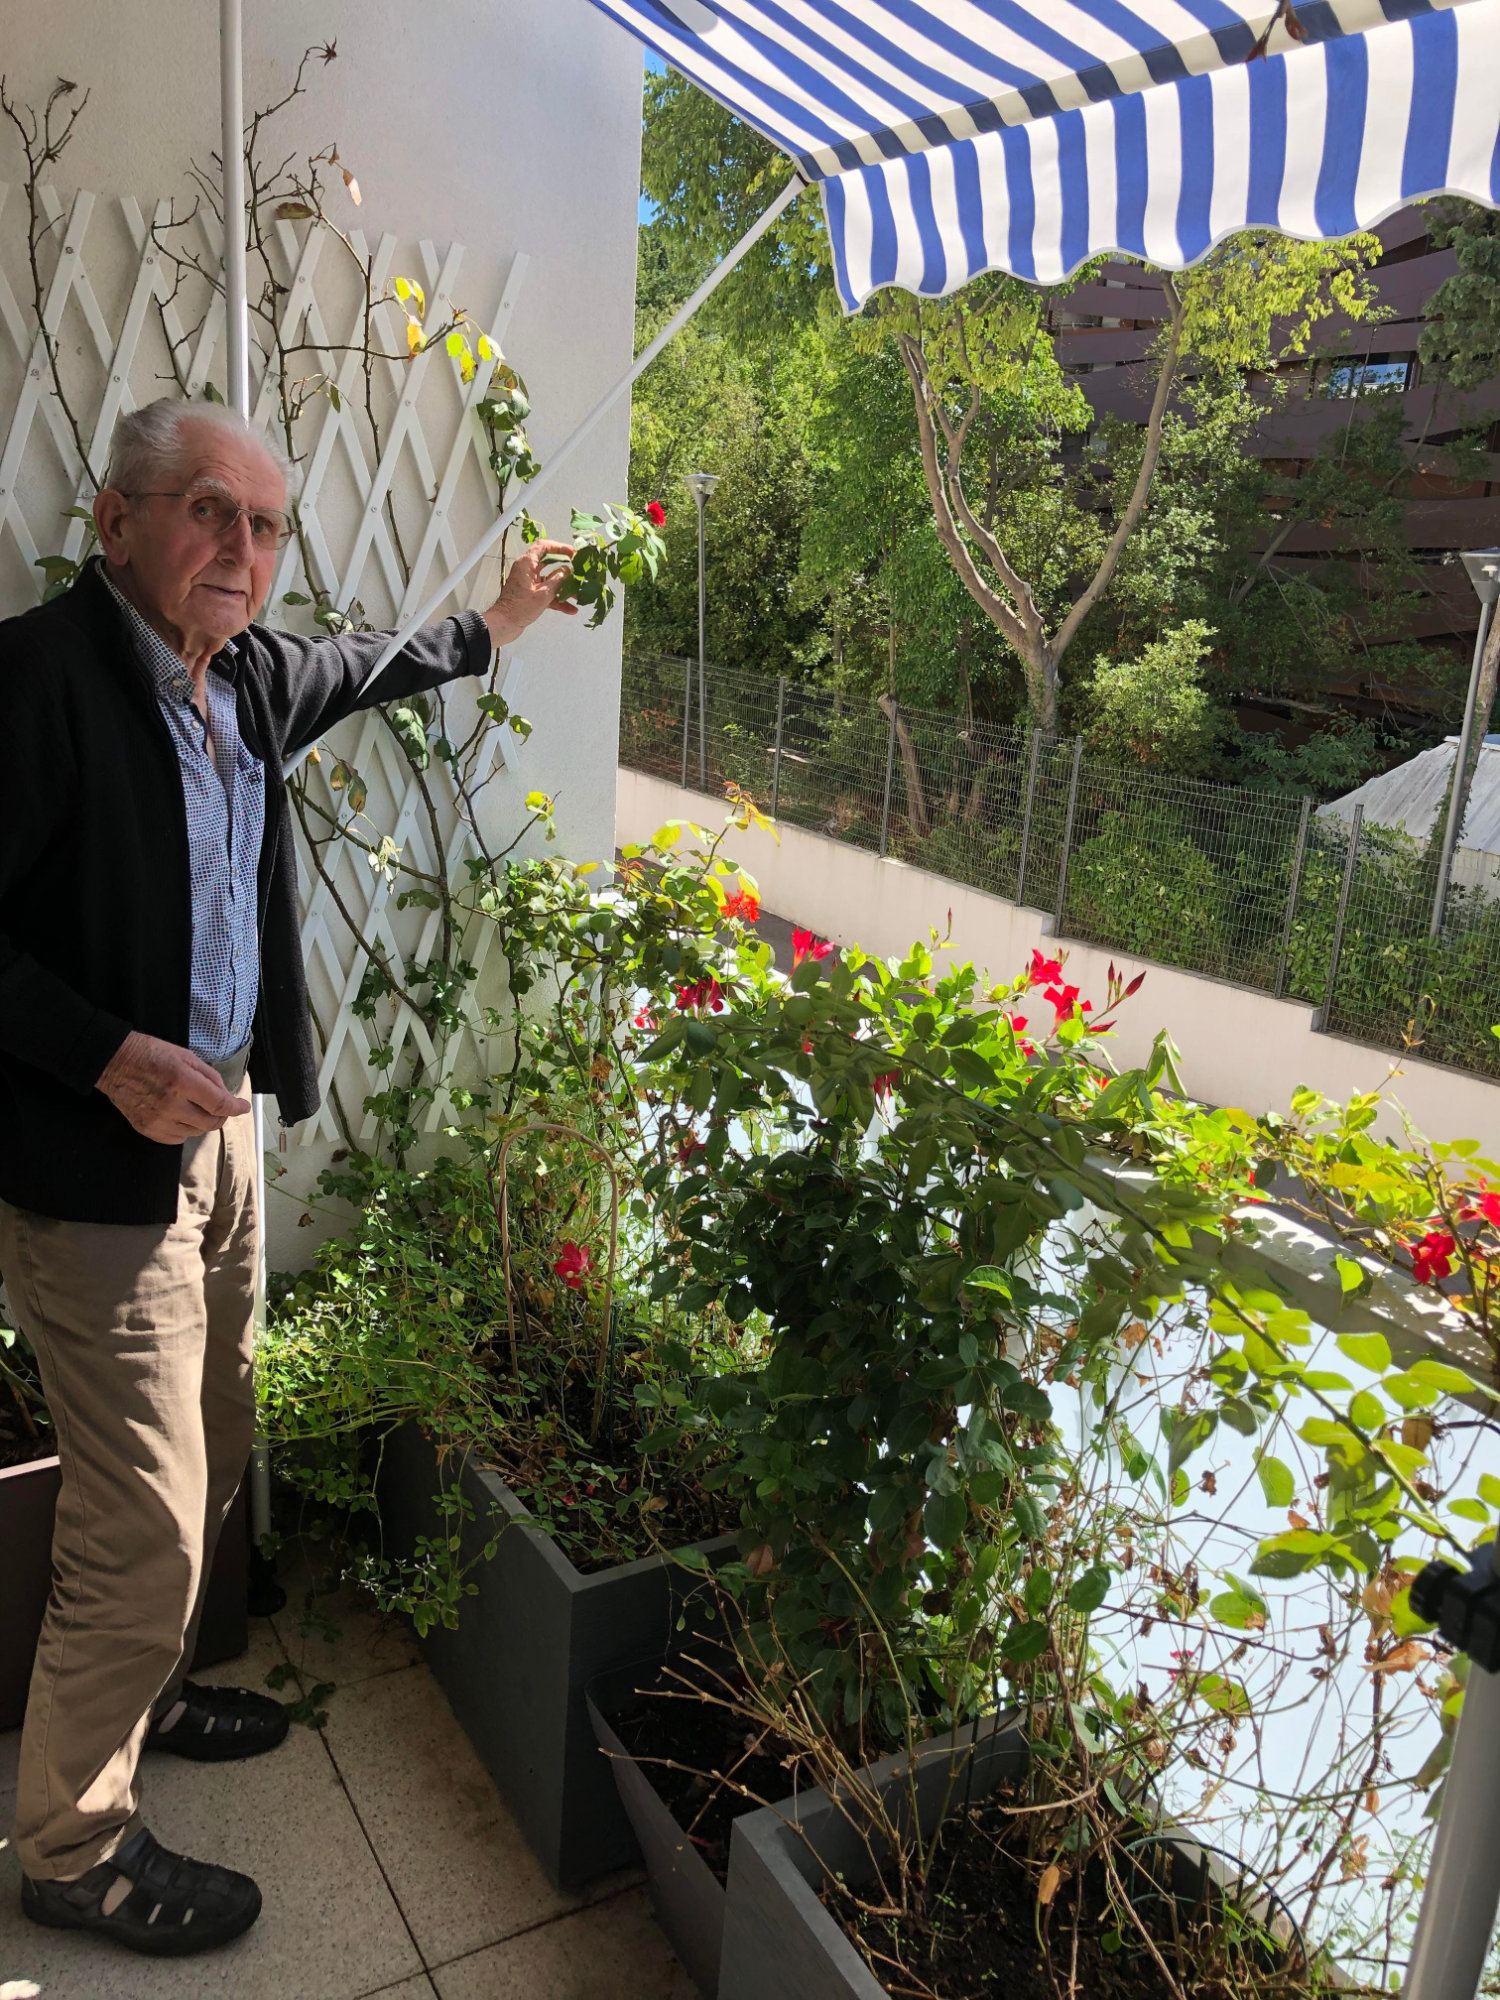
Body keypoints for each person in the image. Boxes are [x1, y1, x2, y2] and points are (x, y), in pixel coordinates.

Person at [0, 396, 577, 1957]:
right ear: (117, 523)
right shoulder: (33, 684)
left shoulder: (242, 680)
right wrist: (98, 1052)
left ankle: (153, 1697)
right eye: (209, 513)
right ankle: (70, 1843)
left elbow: (373, 664)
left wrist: (500, 622)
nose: (242, 553)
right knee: (151, 1523)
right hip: (94, 1170)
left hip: (224, 1142)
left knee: (219, 1420)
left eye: (264, 526)